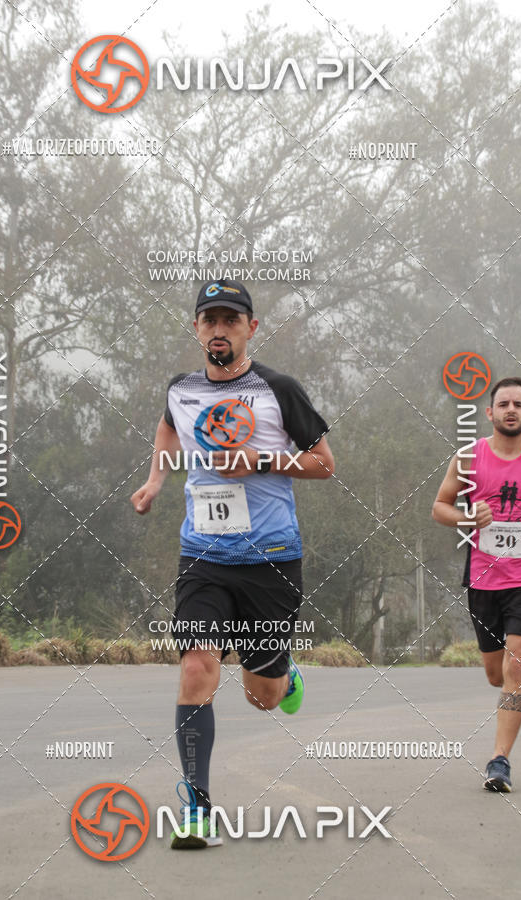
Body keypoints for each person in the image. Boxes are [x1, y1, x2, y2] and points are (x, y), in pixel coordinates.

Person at [130, 278, 334, 846]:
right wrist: (153, 482)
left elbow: (323, 463)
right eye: (209, 319)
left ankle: (281, 672)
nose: (219, 329)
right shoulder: (181, 388)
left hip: (271, 557)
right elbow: (169, 427)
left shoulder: (278, 389)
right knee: (196, 666)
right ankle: (196, 808)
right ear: (196, 328)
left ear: (251, 327)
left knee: (261, 696)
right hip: (203, 554)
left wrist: (263, 459)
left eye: (231, 319)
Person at [432, 376, 521, 792]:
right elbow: (439, 507)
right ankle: (511, 685)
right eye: (503, 403)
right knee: (496, 673)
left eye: (519, 404)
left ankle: (499, 759)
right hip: (484, 580)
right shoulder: (470, 458)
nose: (511, 409)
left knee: (518, 661)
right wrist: (468, 517)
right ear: (490, 413)